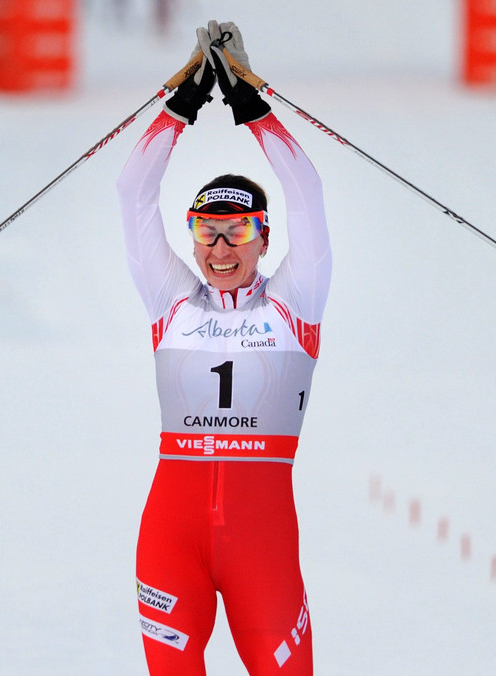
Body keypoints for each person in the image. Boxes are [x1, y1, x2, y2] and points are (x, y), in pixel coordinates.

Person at [117, 21, 330, 676]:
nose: (220, 247)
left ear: (264, 239)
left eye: (238, 230)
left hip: (259, 546)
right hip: (170, 537)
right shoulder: (172, 303)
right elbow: (133, 191)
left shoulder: (295, 305)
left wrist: (250, 105)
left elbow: (307, 195)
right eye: (207, 231)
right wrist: (181, 106)